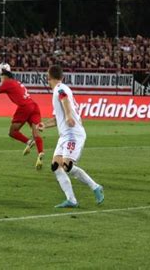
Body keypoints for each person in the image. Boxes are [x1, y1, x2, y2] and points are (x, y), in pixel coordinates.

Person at [38, 65, 104, 208]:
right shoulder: (59, 90)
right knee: (56, 166)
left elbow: (65, 99)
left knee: (67, 165)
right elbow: (57, 118)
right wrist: (45, 125)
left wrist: (68, 116)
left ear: (49, 77)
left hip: (73, 133)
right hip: (64, 135)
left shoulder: (60, 89)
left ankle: (96, 187)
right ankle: (71, 200)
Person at [0, 63, 45, 169]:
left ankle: (28, 142)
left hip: (24, 107)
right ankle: (40, 152)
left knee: (12, 132)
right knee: (35, 133)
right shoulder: (16, 82)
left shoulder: (6, 83)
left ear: (1, 73)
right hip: (33, 105)